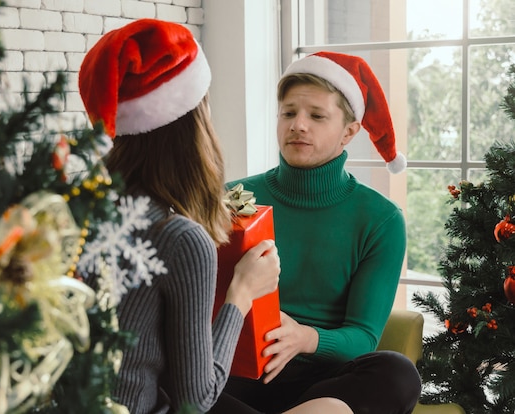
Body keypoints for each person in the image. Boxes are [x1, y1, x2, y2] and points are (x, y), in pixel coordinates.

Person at [77, 19, 281, 414]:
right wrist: (242, 293)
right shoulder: (179, 237)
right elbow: (196, 399)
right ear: (195, 119)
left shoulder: (77, 206)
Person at [211, 51, 421, 414]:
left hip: (323, 386)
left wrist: (305, 338)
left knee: (397, 373)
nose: (298, 125)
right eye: (288, 113)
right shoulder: (229, 198)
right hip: (235, 377)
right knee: (168, 373)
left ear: (349, 132)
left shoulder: (381, 220)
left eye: (317, 116)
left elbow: (363, 336)